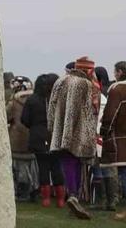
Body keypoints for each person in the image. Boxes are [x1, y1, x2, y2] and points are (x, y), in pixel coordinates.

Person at [49, 56, 101, 219]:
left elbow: (51, 106)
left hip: (61, 130)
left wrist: (52, 128)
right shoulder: (88, 85)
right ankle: (74, 196)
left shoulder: (60, 81)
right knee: (78, 162)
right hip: (80, 131)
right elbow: (91, 111)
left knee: (67, 162)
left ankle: (72, 195)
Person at [23, 73, 65, 208]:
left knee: (43, 169)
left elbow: (25, 120)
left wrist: (35, 126)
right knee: (57, 168)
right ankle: (60, 200)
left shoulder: (32, 100)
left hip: (38, 137)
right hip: (56, 136)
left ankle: (46, 200)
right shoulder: (60, 100)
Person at [99, 61, 126, 220]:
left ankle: (117, 205)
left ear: (121, 72)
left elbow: (111, 114)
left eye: (115, 71)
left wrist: (104, 131)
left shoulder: (118, 90)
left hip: (118, 137)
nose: (114, 74)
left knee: (121, 172)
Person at [8, 76, 38, 201]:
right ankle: (33, 188)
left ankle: (22, 192)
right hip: (32, 138)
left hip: (16, 138)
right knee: (30, 166)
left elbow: (6, 115)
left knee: (18, 167)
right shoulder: (37, 100)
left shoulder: (14, 102)